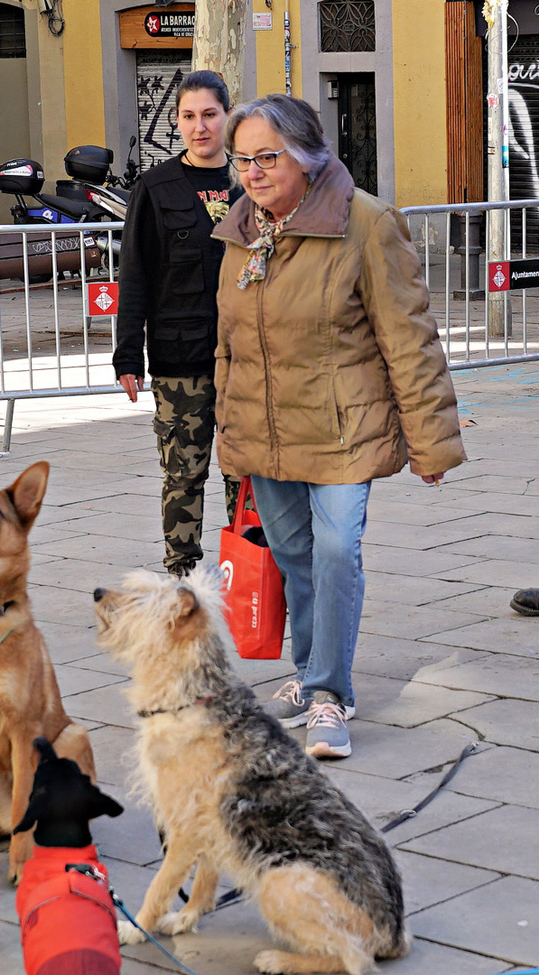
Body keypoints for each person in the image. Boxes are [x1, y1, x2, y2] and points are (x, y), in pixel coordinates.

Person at [213, 94, 466, 759]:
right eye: (242, 160)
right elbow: (229, 342)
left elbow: (408, 339)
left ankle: (328, 693)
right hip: (265, 431)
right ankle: (307, 672)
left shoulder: (365, 222)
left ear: (304, 153)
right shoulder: (242, 227)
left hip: (342, 427)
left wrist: (428, 439)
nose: (253, 172)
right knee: (294, 558)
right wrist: (227, 432)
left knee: (333, 553)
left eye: (267, 157)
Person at [113, 70, 243, 578]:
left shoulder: (248, 181)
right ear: (177, 121)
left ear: (227, 116)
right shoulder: (156, 186)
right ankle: (182, 574)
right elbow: (136, 274)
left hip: (244, 359)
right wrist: (128, 355)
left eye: (210, 114)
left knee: (244, 473)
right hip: (178, 357)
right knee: (183, 475)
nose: (200, 126)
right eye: (188, 116)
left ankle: (246, 571)